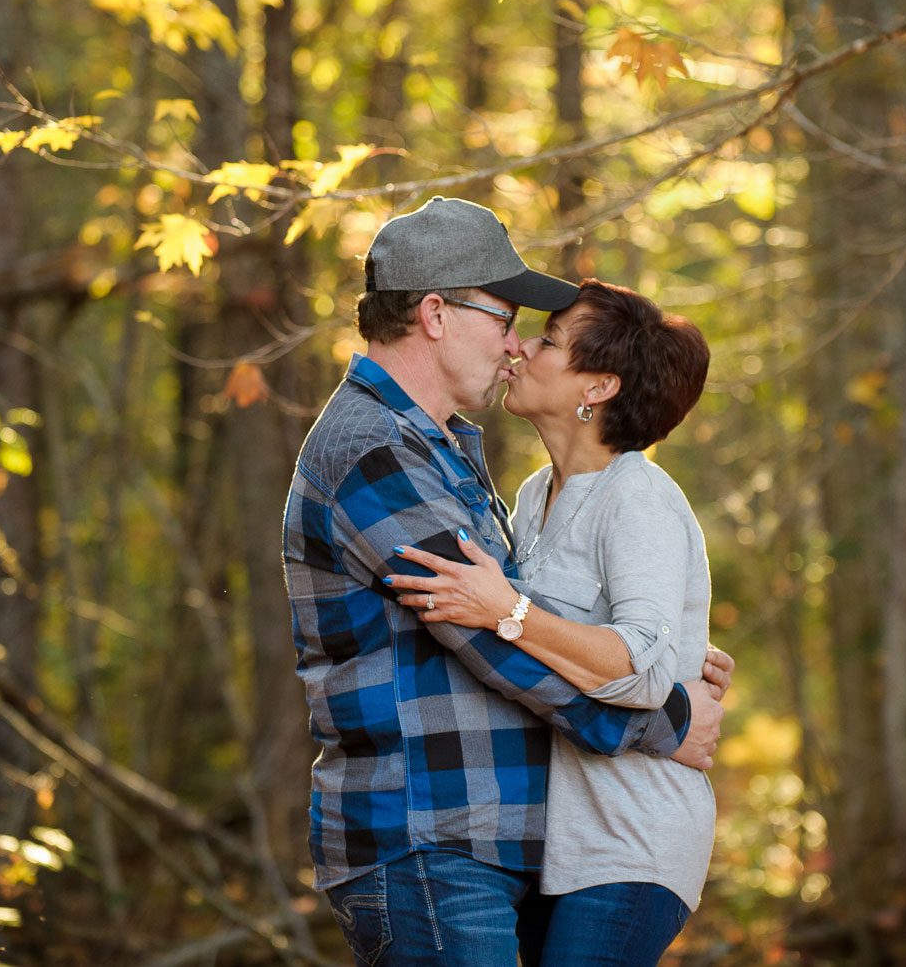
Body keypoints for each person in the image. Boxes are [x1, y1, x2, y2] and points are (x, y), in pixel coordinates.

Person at [282, 198, 728, 967]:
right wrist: (666, 720)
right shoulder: (377, 452)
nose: (515, 343)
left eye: (537, 332)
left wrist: (667, 658)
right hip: (423, 833)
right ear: (434, 313)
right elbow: (493, 643)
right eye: (504, 317)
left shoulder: (447, 450)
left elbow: (528, 618)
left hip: (497, 840)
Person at [384, 279, 715, 966]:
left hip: (632, 842)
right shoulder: (534, 496)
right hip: (554, 845)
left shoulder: (638, 497)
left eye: (549, 340)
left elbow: (644, 666)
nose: (520, 346)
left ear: (597, 387)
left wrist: (506, 608)